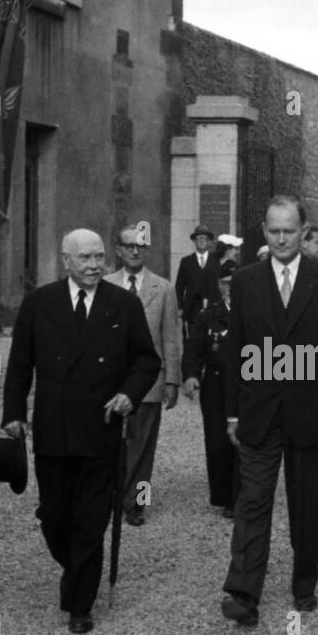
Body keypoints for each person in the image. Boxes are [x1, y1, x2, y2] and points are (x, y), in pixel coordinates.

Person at [1, 228, 161, 634]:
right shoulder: (40, 304)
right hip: (53, 430)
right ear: (65, 260)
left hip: (100, 428)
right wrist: (13, 412)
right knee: (54, 516)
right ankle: (75, 568)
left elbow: (146, 360)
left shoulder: (123, 304)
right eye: (85, 258)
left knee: (91, 519)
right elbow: (20, 364)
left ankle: (80, 604)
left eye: (99, 257)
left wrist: (129, 394)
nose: (94, 266)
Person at [220, 195, 318, 627]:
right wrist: (232, 412)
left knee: (305, 504)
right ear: (263, 231)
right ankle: (243, 592)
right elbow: (236, 350)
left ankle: (304, 585)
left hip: (311, 411)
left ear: (304, 232)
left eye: (289, 231)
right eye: (274, 231)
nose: (281, 239)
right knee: (252, 502)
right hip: (259, 413)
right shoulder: (245, 281)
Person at [105, 224, 182, 526]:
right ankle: (111, 496)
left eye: (141, 246)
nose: (135, 251)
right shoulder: (106, 284)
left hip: (150, 381)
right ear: (119, 250)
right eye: (129, 245)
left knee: (144, 447)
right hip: (111, 381)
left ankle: (137, 503)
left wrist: (172, 379)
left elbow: (171, 337)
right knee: (111, 443)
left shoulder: (163, 288)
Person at [181, 259, 240, 517]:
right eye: (226, 283)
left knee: (243, 441)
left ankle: (240, 498)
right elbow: (194, 348)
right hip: (215, 386)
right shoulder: (208, 316)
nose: (231, 288)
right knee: (217, 441)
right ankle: (223, 494)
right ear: (219, 285)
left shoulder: (254, 313)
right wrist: (191, 375)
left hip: (244, 386)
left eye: (235, 283)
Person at [175, 224, 214, 331]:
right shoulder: (186, 262)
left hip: (212, 309)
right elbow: (179, 287)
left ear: (209, 241)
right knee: (192, 342)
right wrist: (180, 307)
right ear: (194, 241)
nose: (201, 241)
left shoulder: (215, 261)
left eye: (204, 238)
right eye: (198, 238)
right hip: (191, 310)